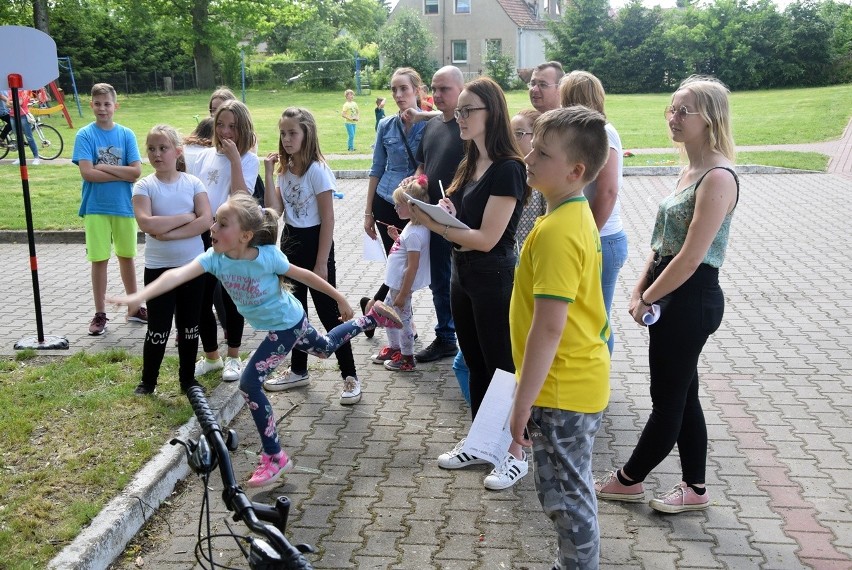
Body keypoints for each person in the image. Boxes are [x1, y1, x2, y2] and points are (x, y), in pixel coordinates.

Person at [108, 193, 404, 487]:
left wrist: (338, 297)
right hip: (292, 320)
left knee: (249, 382)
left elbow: (305, 276)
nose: (213, 228)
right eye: (215, 221)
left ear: (245, 236)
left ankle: (274, 456)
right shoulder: (215, 260)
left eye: (223, 224)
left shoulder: (266, 257)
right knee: (325, 348)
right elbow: (174, 277)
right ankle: (372, 318)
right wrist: (138, 296)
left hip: (285, 325)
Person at [595, 75, 739, 514]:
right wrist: (640, 287)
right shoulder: (689, 169)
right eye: (671, 109)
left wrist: (648, 297)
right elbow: (661, 245)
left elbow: (692, 257)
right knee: (684, 393)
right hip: (670, 293)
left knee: (667, 400)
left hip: (691, 299)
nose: (673, 118)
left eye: (683, 111)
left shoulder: (718, 177)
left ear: (710, 118)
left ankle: (629, 479)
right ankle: (695, 487)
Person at [410, 77, 529, 491]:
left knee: (502, 368)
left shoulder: (509, 168)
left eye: (467, 110)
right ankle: (481, 443)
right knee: (476, 363)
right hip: (463, 274)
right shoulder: (468, 160)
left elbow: (487, 238)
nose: (458, 117)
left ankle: (515, 453)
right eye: (458, 110)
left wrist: (434, 225)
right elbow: (467, 220)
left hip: (493, 276)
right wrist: (446, 209)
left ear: (491, 114)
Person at [509, 107, 612, 569]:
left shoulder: (557, 231)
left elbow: (548, 328)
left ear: (576, 171)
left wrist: (521, 403)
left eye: (542, 152)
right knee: (572, 492)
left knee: (567, 503)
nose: (529, 156)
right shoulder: (572, 214)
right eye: (532, 146)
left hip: (561, 389)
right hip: (572, 382)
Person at [261, 107, 364, 404]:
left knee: (329, 314)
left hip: (316, 242)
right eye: (283, 133)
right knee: (294, 312)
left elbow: (328, 219)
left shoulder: (317, 170)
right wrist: (269, 173)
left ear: (307, 134)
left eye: (293, 132)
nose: (287, 138)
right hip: (291, 240)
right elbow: (274, 212)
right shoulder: (286, 168)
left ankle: (350, 376)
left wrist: (321, 262)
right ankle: (298, 370)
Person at [131, 125, 212, 395]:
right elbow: (146, 222)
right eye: (152, 149)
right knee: (158, 329)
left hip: (192, 268)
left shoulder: (192, 183)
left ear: (177, 152)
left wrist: (167, 232)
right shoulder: (144, 185)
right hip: (158, 270)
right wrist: (183, 218)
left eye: (163, 148)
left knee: (190, 327)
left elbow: (205, 220)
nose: (157, 154)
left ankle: (187, 379)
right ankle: (148, 381)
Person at [190, 99, 258, 382]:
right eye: (220, 124)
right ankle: (211, 357)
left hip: (230, 240)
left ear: (243, 129)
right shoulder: (205, 156)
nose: (226, 131)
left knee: (231, 299)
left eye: (232, 126)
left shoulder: (248, 160)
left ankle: (233, 356)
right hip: (205, 237)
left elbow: (243, 199)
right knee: (202, 299)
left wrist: (234, 161)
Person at [560, 70, 627, 355]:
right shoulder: (586, 133)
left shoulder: (603, 133)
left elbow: (607, 191)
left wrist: (589, 236)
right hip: (592, 236)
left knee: (598, 319)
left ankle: (598, 386)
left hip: (603, 239)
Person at [72, 82, 144, 335]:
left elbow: (136, 172)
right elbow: (87, 173)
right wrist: (118, 173)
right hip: (95, 207)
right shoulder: (85, 135)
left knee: (127, 256)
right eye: (98, 104)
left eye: (107, 104)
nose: (103, 109)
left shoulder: (126, 134)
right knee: (99, 259)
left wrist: (103, 167)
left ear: (115, 106)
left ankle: (134, 308)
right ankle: (100, 313)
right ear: (91, 105)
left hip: (124, 206)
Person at [361, 68, 427, 334]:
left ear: (417, 91)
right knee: (398, 266)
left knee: (405, 266)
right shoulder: (386, 125)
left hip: (416, 205)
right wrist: (367, 212)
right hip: (386, 202)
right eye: (394, 90)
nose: (399, 95)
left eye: (404, 89)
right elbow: (376, 168)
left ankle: (373, 310)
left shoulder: (429, 123)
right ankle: (398, 325)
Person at [411, 65, 466, 364]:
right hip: (432, 216)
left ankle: (458, 336)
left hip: (460, 220)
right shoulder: (431, 126)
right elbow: (422, 164)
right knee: (439, 281)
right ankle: (446, 337)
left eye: (445, 89)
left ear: (461, 90)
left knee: (456, 281)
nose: (437, 94)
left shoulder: (468, 130)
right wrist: (416, 182)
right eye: (434, 88)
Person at [372, 175, 431, 372]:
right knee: (390, 316)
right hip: (395, 285)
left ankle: (407, 358)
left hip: (401, 287)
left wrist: (404, 294)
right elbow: (406, 252)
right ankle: (395, 349)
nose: (395, 208)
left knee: (404, 322)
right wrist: (397, 238)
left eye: (399, 205)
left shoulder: (414, 233)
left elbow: (412, 267)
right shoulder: (413, 226)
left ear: (413, 206)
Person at [511, 108, 546, 247]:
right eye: (510, 133)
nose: (512, 139)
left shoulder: (543, 174)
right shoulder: (504, 168)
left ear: (537, 136)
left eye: (519, 134)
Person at [8, 88, 42, 165]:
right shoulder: (10, 90)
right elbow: (7, 104)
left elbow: (20, 103)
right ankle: (21, 157)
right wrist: (13, 102)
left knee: (29, 137)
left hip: (23, 116)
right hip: (13, 116)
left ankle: (36, 157)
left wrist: (10, 102)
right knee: (18, 137)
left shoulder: (23, 90)